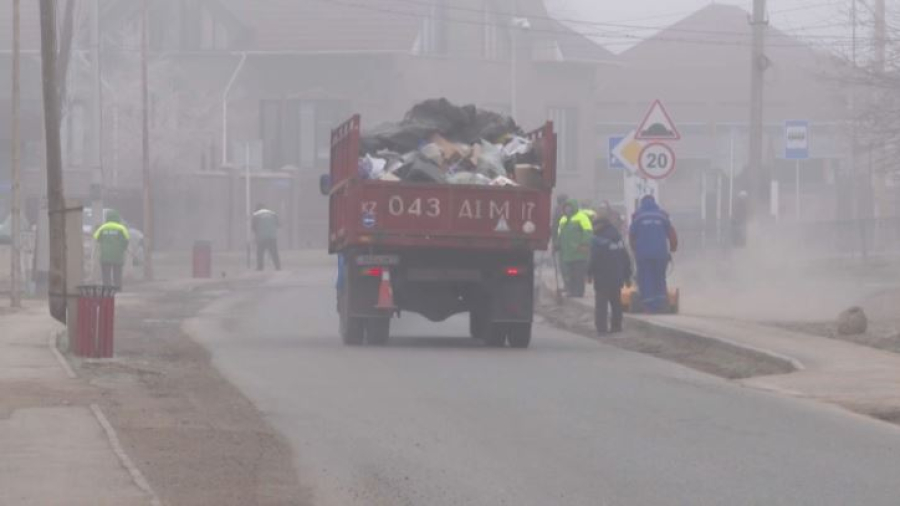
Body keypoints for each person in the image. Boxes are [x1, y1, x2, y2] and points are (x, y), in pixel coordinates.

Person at [629, 195, 678, 313]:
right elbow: (672, 234)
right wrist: (672, 248)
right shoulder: (662, 216)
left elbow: (631, 236)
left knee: (645, 278)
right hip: (661, 254)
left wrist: (634, 250)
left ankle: (649, 307)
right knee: (660, 278)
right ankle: (661, 305)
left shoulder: (638, 216)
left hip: (643, 254)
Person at [588, 210, 632, 335]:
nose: (593, 227)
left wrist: (589, 272)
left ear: (601, 225)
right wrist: (627, 276)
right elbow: (625, 258)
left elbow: (594, 258)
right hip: (617, 277)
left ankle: (601, 329)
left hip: (602, 277)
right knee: (616, 303)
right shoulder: (618, 238)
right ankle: (616, 327)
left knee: (601, 305)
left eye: (594, 225)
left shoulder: (597, 239)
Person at [557, 199, 593, 297]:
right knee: (569, 274)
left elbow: (588, 232)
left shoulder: (582, 217)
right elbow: (560, 234)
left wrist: (584, 244)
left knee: (578, 274)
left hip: (579, 252)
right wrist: (557, 244)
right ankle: (571, 291)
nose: (568, 209)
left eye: (570, 207)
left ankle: (579, 292)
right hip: (567, 253)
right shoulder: (563, 220)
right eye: (566, 207)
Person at [93, 209, 130, 289]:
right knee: (117, 273)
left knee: (106, 274)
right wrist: (123, 248)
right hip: (118, 256)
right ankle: (118, 288)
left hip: (105, 255)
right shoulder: (122, 228)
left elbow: (96, 238)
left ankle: (107, 289)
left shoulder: (102, 228)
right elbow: (126, 239)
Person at [252, 204, 281, 271]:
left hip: (261, 237)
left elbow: (253, 227)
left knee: (260, 253)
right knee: (274, 252)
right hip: (272, 236)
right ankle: (278, 266)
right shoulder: (273, 213)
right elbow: (279, 224)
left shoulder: (256, 215)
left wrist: (256, 235)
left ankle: (260, 267)